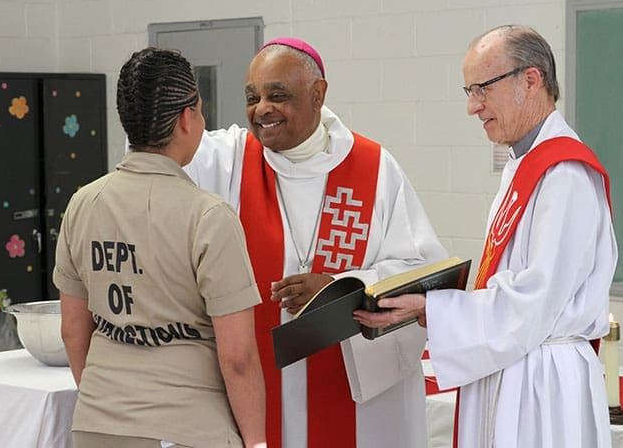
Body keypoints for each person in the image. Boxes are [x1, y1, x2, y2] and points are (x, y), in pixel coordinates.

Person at [355, 25, 616, 448]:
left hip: (541, 385)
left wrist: (434, 308)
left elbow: (533, 300)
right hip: (513, 365)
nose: (473, 107)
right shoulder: (525, 164)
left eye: (482, 89)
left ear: (530, 80)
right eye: (468, 91)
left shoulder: (566, 173)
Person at [183, 37, 449, 448]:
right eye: (252, 97)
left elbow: (423, 272)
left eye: (278, 95)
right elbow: (156, 152)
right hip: (259, 381)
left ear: (318, 93)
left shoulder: (374, 168)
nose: (262, 109)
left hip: (353, 392)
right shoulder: (229, 158)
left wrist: (341, 287)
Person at [53, 48, 266, 448]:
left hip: (96, 424)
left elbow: (72, 329)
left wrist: (108, 403)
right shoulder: (209, 217)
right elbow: (238, 358)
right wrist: (257, 443)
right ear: (187, 118)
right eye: (200, 112)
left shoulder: (83, 203)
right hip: (186, 428)